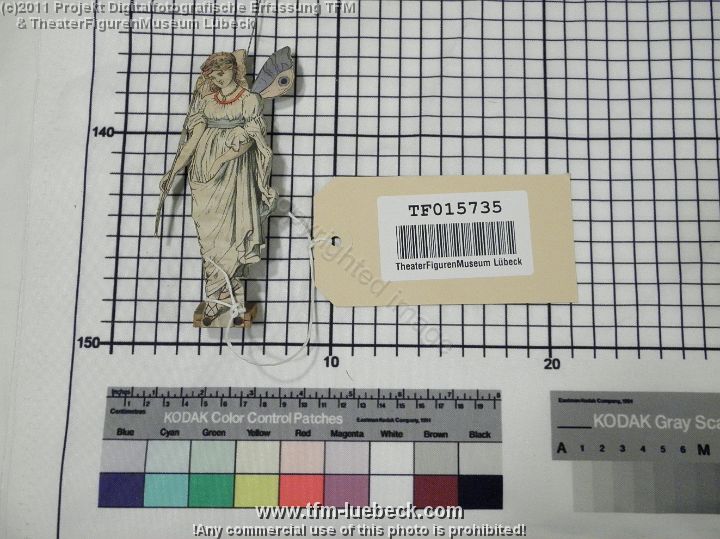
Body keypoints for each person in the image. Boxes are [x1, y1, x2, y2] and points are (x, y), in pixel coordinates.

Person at [159, 51, 277, 326]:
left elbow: (250, 140)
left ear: (234, 70)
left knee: (231, 236)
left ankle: (218, 303)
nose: (218, 77)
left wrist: (221, 160)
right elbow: (192, 141)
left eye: (222, 71)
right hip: (203, 176)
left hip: (235, 174)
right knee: (208, 237)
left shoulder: (249, 100)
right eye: (213, 74)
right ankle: (224, 298)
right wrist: (172, 171)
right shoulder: (207, 102)